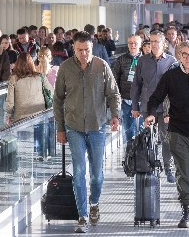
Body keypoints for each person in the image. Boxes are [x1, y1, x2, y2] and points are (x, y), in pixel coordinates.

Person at [145, 40, 189, 228]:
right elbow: (155, 98)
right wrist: (151, 114)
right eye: (185, 54)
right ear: (179, 55)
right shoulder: (171, 76)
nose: (188, 58)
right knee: (183, 172)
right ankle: (186, 210)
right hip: (178, 132)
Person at [54, 31, 120, 233]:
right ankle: (82, 215)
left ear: (93, 48)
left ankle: (94, 203)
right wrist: (60, 128)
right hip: (73, 127)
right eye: (80, 50)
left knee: (97, 175)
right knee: (79, 172)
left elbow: (113, 93)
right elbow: (58, 100)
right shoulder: (65, 68)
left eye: (87, 50)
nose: (84, 54)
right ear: (73, 48)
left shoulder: (101, 66)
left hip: (97, 127)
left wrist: (115, 115)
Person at [130, 30, 178, 183]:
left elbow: (176, 88)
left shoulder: (171, 62)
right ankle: (149, 165)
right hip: (146, 106)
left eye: (157, 41)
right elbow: (136, 84)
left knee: (166, 139)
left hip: (165, 109)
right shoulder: (142, 61)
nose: (154, 44)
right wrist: (134, 106)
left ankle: (168, 169)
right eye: (151, 42)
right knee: (148, 138)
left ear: (164, 44)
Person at [112, 34, 143, 143]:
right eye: (130, 43)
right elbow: (115, 78)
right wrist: (118, 95)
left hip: (141, 100)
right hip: (126, 99)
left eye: (135, 43)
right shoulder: (121, 59)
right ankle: (130, 152)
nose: (133, 45)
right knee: (128, 128)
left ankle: (142, 152)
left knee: (142, 128)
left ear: (140, 44)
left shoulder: (146, 59)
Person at [5, 53, 53, 122]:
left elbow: (10, 101)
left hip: (21, 120)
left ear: (17, 64)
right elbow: (51, 92)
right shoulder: (40, 77)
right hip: (39, 117)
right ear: (32, 63)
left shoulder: (14, 79)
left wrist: (8, 115)